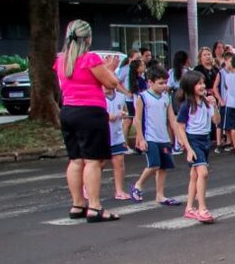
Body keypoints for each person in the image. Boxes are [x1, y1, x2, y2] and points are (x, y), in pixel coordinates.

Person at [55, 20, 124, 222]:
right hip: (90, 112)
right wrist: (109, 68)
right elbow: (112, 83)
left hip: (68, 110)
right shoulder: (90, 59)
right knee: (93, 160)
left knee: (76, 159)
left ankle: (78, 204)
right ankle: (95, 206)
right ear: (88, 38)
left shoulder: (61, 60)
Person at [130, 66, 182, 205]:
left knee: (163, 167)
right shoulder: (143, 97)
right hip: (150, 137)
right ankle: (138, 184)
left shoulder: (166, 98)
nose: (164, 86)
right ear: (150, 82)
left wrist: (179, 138)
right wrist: (141, 138)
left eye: (165, 82)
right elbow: (137, 119)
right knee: (154, 164)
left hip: (163, 137)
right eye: (160, 83)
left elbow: (172, 119)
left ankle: (160, 195)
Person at [174, 70, 218, 223]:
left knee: (195, 175)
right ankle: (202, 208)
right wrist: (188, 148)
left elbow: (216, 121)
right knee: (203, 173)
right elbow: (180, 127)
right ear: (190, 86)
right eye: (199, 83)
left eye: (203, 83)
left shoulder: (206, 102)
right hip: (193, 140)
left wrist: (215, 106)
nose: (202, 86)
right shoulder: (186, 105)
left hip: (205, 139)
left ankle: (189, 208)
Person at [104, 65, 131, 200]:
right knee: (99, 163)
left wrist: (124, 114)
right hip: (103, 135)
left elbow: (125, 111)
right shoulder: (98, 98)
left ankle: (119, 190)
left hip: (117, 134)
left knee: (119, 162)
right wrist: (113, 116)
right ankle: (87, 186)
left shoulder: (120, 97)